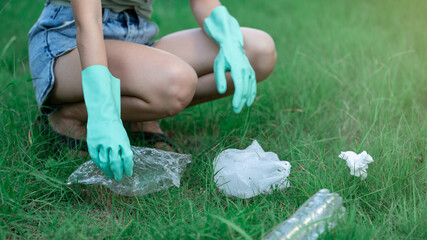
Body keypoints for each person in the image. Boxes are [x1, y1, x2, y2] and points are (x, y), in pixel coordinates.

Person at [28, 0, 277, 181]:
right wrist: (103, 111)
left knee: (259, 51)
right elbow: (88, 23)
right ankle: (71, 115)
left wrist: (229, 42)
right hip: (69, 42)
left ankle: (142, 113)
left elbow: (204, 2)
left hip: (136, 36)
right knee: (177, 81)